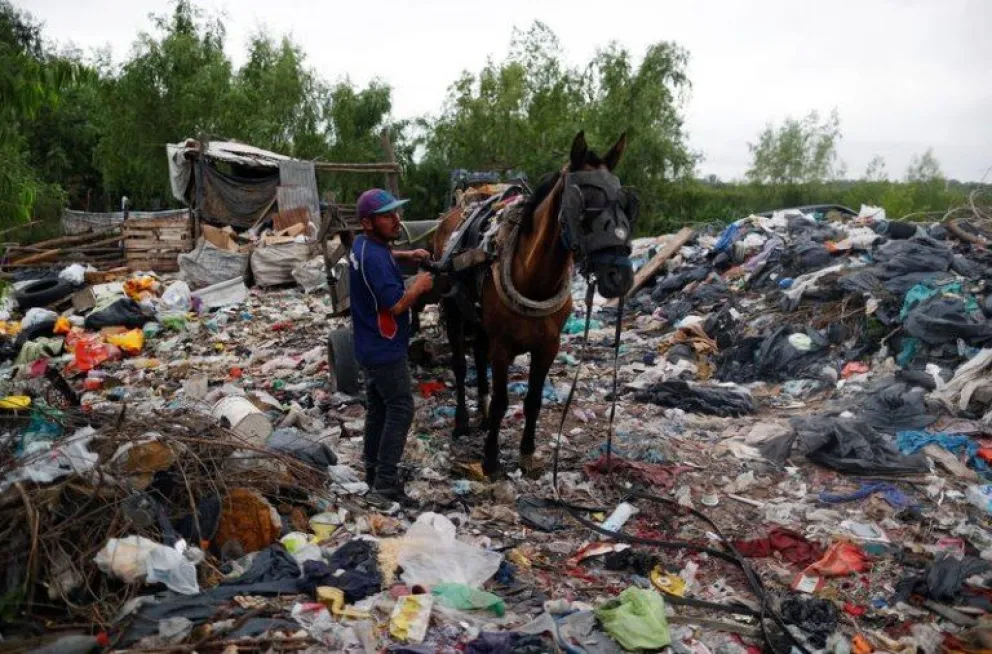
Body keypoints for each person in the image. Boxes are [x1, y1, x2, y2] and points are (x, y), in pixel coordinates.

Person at [348, 188, 433, 507]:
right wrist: (419, 286)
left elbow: (381, 256)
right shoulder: (376, 259)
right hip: (385, 348)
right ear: (368, 223)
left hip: (368, 344)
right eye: (388, 216)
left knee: (380, 408)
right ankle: (384, 484)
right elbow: (396, 306)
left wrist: (406, 255)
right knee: (401, 408)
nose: (397, 220)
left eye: (397, 212)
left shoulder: (363, 245)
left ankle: (372, 474)